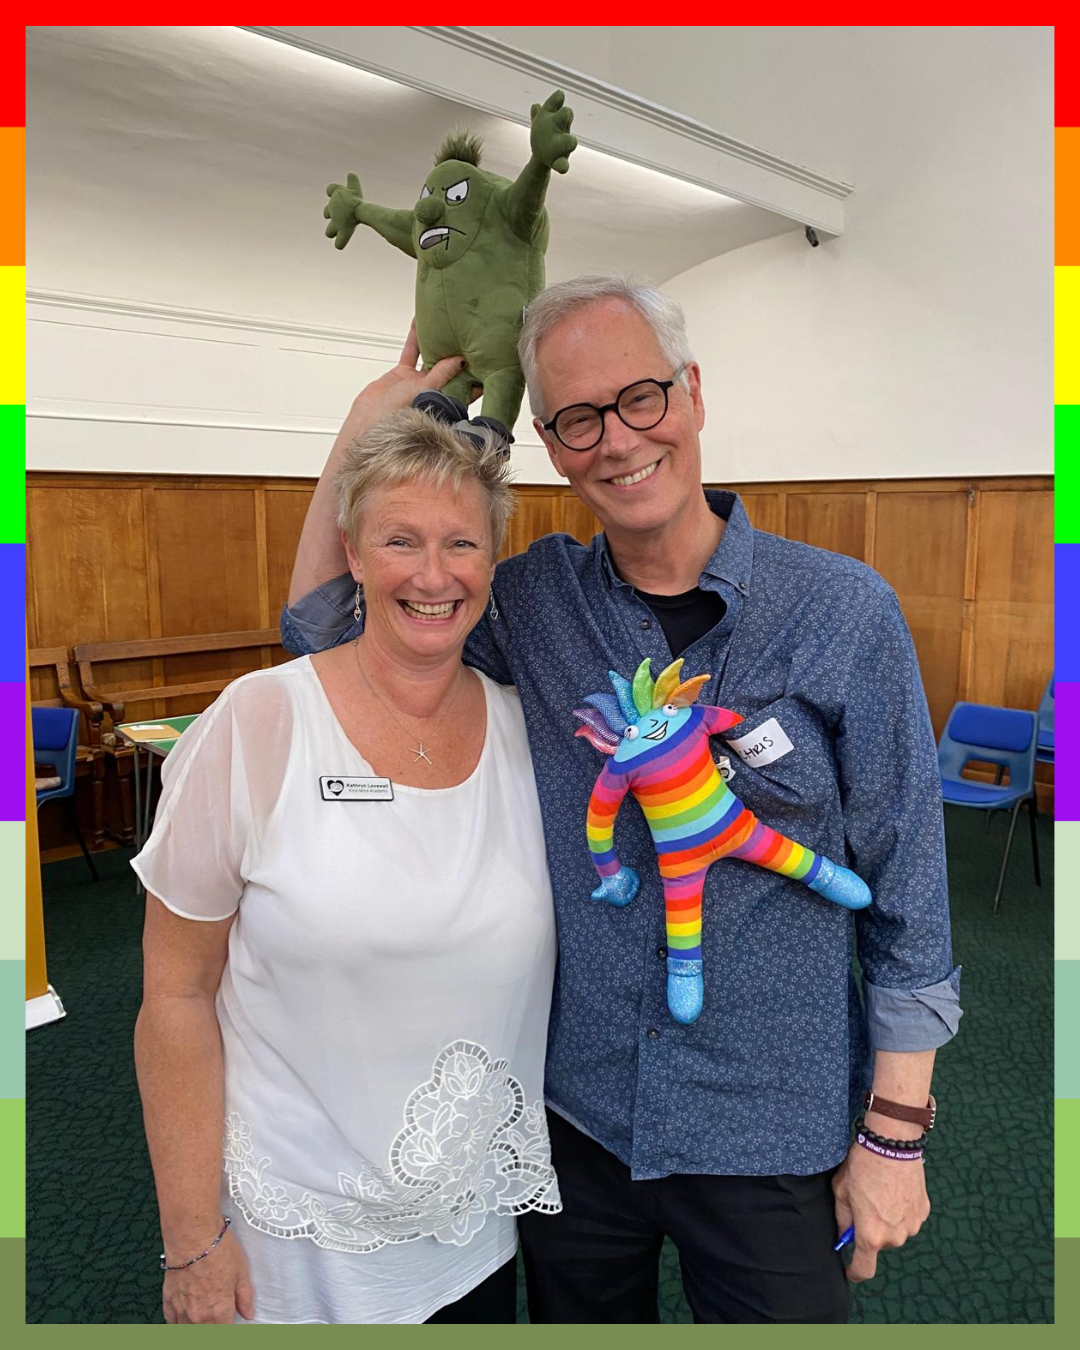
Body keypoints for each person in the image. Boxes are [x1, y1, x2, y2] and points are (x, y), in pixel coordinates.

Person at [281, 275, 962, 1324]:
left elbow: (909, 888)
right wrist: (365, 426)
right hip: (579, 1122)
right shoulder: (530, 603)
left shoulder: (840, 612)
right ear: (551, 445)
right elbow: (327, 625)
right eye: (579, 419)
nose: (618, 439)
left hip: (769, 1128)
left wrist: (895, 1134)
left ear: (692, 393)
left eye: (641, 397)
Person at [133, 396, 560, 1325]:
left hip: (471, 1235)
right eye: (400, 540)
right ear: (354, 554)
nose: (434, 574)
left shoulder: (529, 737)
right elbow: (174, 995)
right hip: (290, 1250)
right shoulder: (257, 722)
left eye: (461, 543)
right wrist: (192, 1236)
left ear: (492, 562)